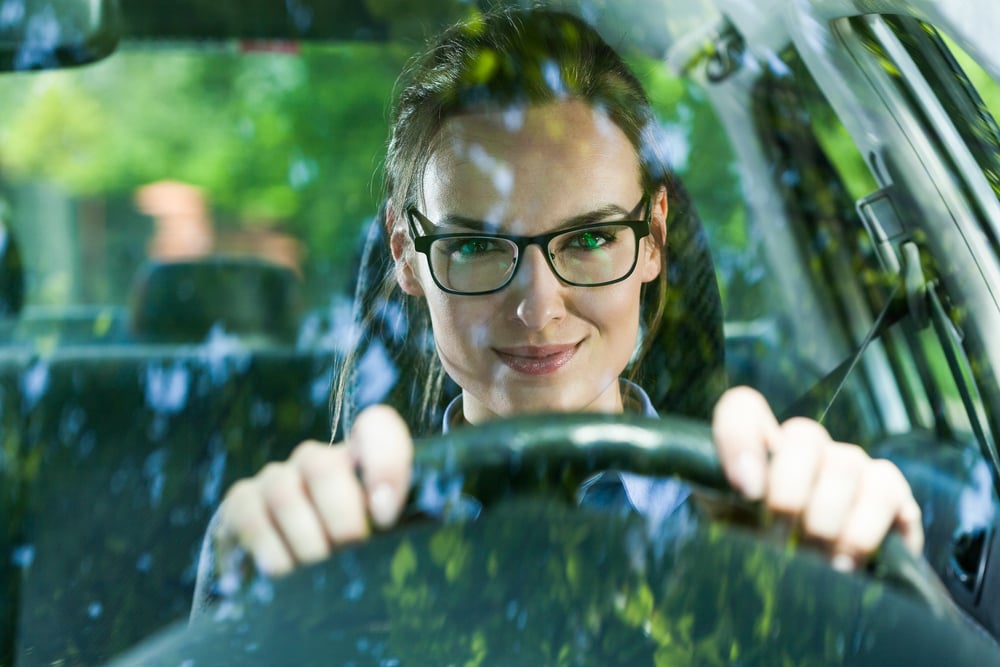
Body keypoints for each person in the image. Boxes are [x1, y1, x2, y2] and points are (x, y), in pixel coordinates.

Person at [192, 6, 923, 614]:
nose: (538, 308)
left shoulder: (767, 531)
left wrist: (864, 574)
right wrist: (237, 607)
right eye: (477, 246)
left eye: (593, 237)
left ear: (654, 239)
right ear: (407, 254)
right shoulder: (335, 558)